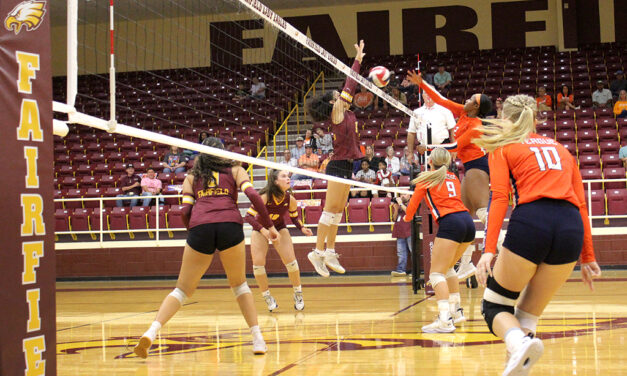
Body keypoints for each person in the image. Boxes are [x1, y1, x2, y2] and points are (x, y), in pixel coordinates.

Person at [473, 95, 601, 375]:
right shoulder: (562, 150)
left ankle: (518, 342)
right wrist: (588, 255)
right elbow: (580, 205)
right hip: (570, 229)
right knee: (528, 313)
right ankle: (521, 365)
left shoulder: (504, 146)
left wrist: (488, 250)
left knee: (494, 306)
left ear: (506, 118)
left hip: (533, 221)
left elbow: (499, 198)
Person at [133, 137, 280, 358]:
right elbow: (253, 196)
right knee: (240, 285)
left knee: (181, 290)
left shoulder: (192, 177)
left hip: (200, 226)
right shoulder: (235, 169)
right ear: (222, 153)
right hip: (230, 225)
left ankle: (151, 332)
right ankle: (257, 339)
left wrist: (193, 231)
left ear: (201, 154)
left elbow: (184, 211)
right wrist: (269, 225)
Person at [407, 70, 494, 281]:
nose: (466, 99)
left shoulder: (476, 126)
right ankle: (465, 264)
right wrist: (422, 85)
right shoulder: (464, 113)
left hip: (478, 166)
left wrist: (429, 147)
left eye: (471, 99)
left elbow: (454, 145)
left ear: (476, 107)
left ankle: (499, 244)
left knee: (482, 213)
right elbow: (440, 99)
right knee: (467, 214)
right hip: (469, 166)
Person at [306, 40, 366, 277]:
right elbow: (350, 84)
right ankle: (317, 252)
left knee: (338, 212)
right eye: (338, 95)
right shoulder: (337, 111)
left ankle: (330, 250)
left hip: (347, 164)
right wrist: (358, 59)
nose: (343, 96)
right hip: (338, 165)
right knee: (330, 211)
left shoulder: (347, 112)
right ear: (334, 101)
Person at [403, 148, 475, 332]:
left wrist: (406, 217)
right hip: (467, 222)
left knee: (436, 274)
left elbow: (412, 208)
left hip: (451, 223)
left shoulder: (427, 177)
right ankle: (456, 312)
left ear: (430, 162)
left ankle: (444, 319)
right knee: (448, 268)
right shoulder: (453, 177)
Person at [245, 169, 313, 312]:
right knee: (258, 264)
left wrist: (302, 228)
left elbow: (294, 217)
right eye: (284, 176)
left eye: (288, 176)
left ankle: (298, 294)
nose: (288, 178)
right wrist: (264, 231)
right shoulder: (264, 196)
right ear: (275, 181)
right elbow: (249, 217)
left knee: (291, 262)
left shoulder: (290, 199)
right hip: (261, 229)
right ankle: (267, 297)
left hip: (280, 228)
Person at [407, 91, 456, 160]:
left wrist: (454, 149)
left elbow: (452, 129)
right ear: (422, 96)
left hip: (442, 147)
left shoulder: (445, 110)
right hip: (424, 149)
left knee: (443, 170)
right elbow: (411, 133)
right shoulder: (416, 112)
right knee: (427, 170)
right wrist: (410, 152)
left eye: (431, 93)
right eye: (426, 93)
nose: (428, 96)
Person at [391, 194, 412, 277]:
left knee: (413, 252)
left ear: (409, 196)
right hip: (400, 232)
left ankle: (415, 272)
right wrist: (396, 209)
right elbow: (394, 218)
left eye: (404, 194)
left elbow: (409, 212)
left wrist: (400, 204)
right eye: (401, 195)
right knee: (401, 253)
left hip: (410, 231)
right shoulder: (399, 206)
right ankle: (401, 270)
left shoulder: (412, 203)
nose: (402, 196)